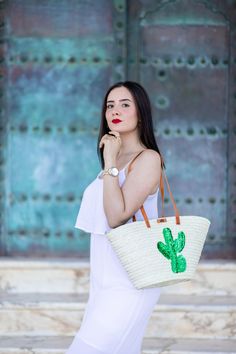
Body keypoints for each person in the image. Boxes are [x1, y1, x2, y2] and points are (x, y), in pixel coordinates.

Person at [66, 81, 165, 354]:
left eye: (125, 104)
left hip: (131, 283)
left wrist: (110, 162)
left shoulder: (147, 159)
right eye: (110, 105)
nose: (115, 111)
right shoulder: (116, 159)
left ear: (141, 113)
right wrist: (111, 160)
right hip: (104, 281)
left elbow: (116, 217)